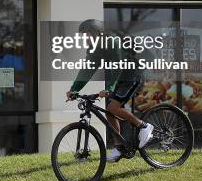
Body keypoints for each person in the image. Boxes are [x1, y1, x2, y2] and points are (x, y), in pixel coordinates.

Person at [66, 19, 153, 163]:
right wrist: (74, 89)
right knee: (109, 111)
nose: (84, 39)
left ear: (96, 33)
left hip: (131, 76)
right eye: (82, 36)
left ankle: (143, 126)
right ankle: (120, 147)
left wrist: (109, 88)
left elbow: (118, 66)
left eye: (86, 35)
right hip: (118, 79)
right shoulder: (94, 49)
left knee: (113, 107)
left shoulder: (112, 41)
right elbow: (87, 70)